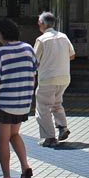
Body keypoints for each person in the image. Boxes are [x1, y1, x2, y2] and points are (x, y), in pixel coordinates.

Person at [0, 18, 37, 178]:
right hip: (22, 102)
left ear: (1, 34)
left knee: (3, 139)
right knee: (14, 135)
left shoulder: (1, 52)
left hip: (4, 103)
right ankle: (25, 166)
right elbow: (33, 72)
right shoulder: (29, 49)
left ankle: (6, 177)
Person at [34, 11, 75, 147]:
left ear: (43, 24)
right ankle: (62, 126)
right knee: (57, 102)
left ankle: (49, 137)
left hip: (47, 78)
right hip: (64, 77)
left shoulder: (42, 40)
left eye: (39, 23)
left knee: (43, 107)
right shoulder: (63, 37)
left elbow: (34, 60)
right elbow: (72, 55)